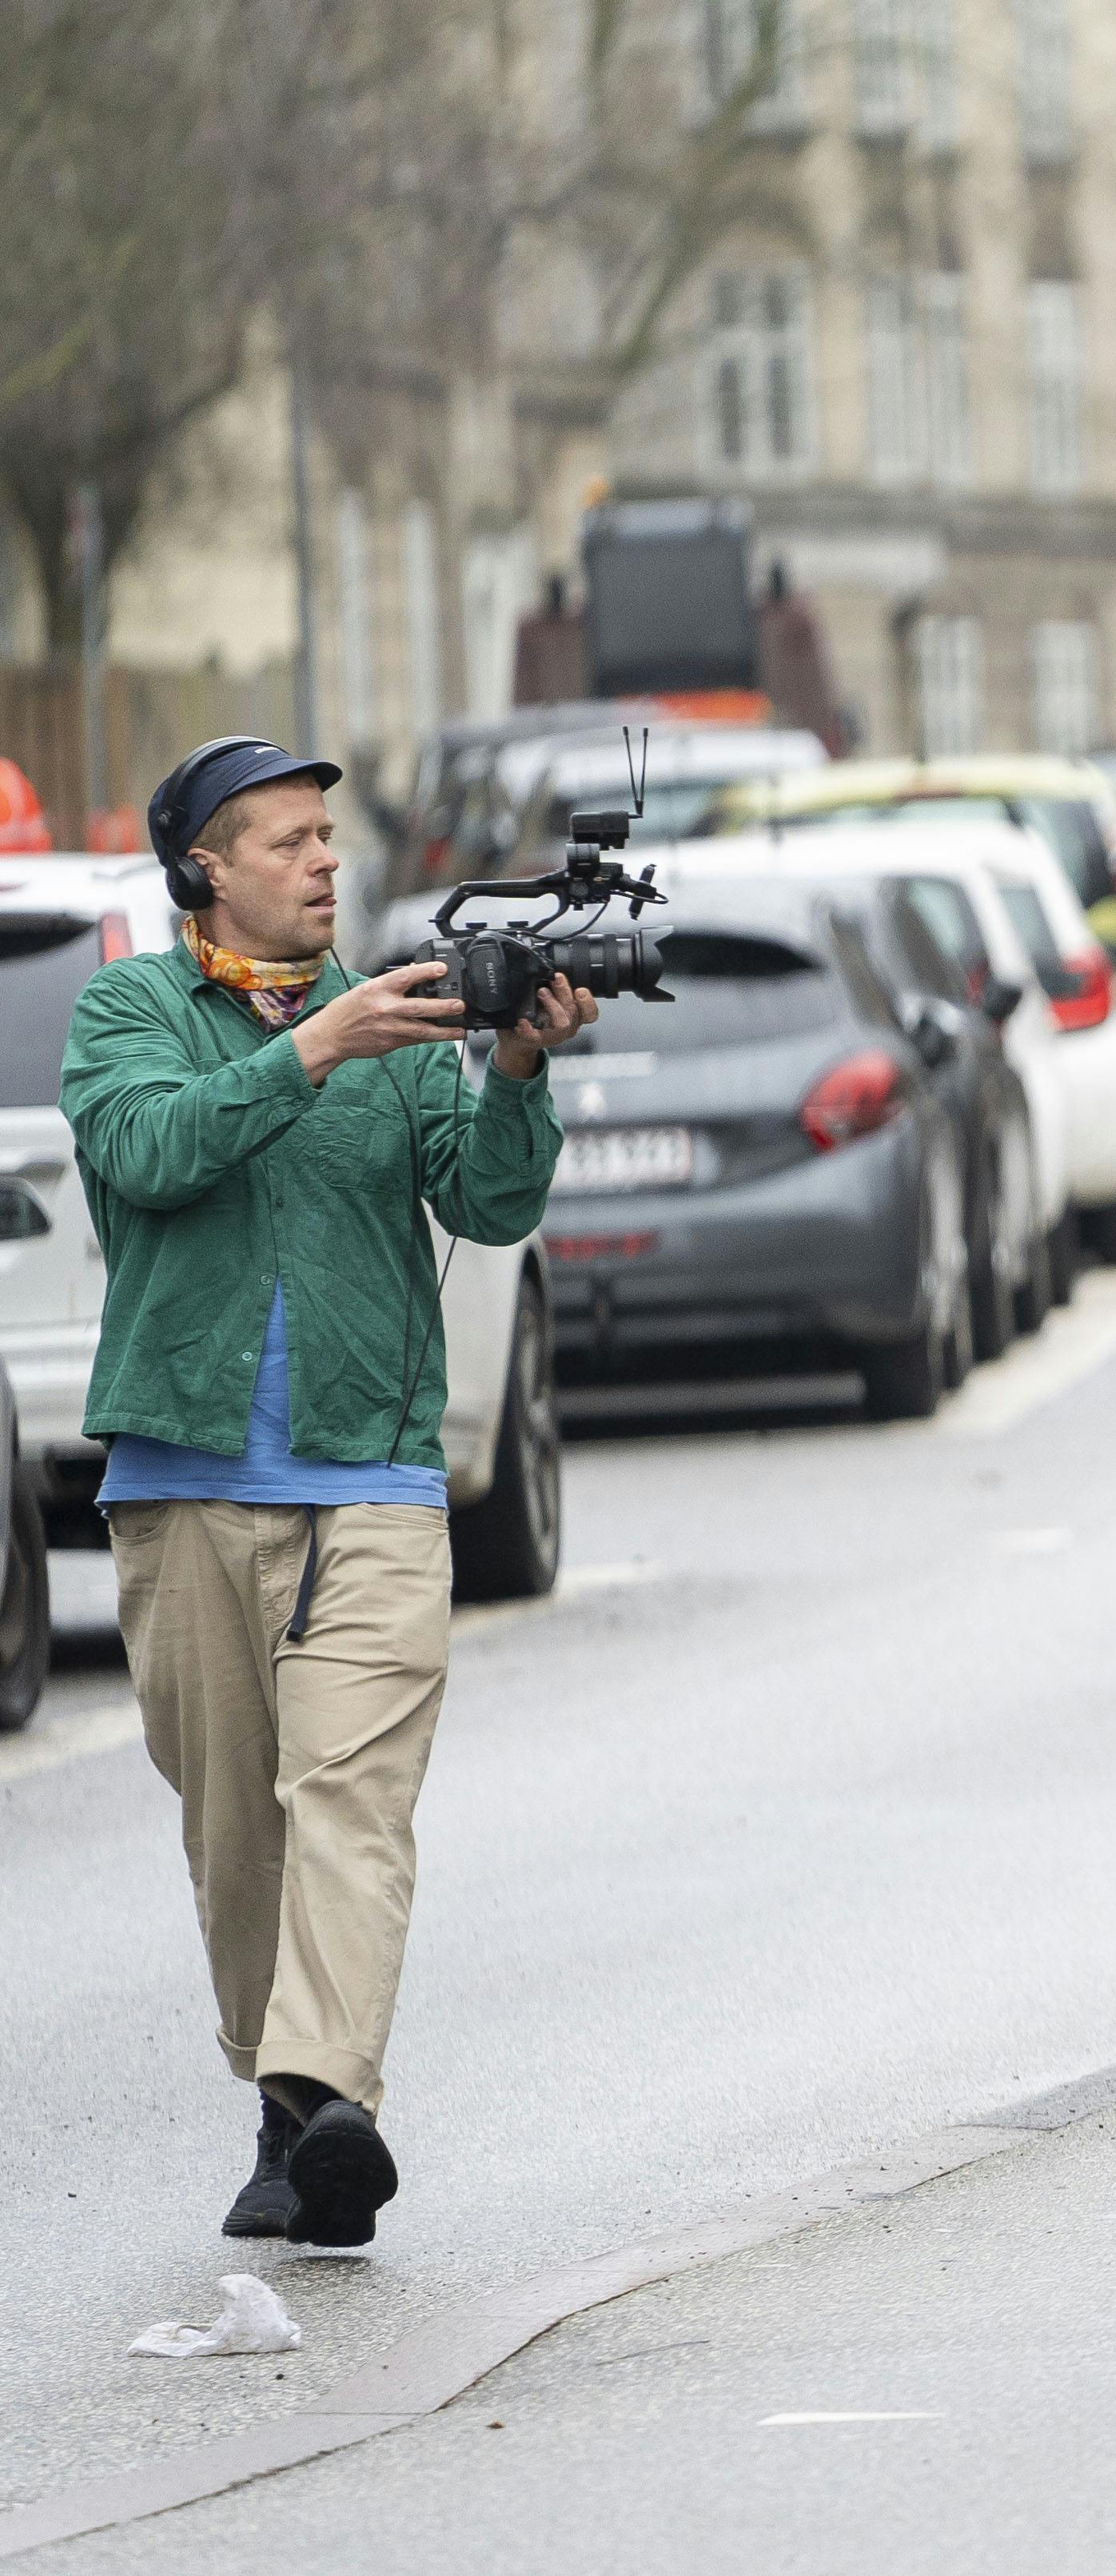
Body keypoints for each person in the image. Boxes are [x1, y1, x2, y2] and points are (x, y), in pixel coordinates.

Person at [59, 737, 592, 2245]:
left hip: (372, 1480)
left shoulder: (407, 1023)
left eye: (326, 839)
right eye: (285, 840)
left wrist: (516, 1065)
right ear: (203, 868)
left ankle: (325, 2103)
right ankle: (290, 2110)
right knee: (242, 1840)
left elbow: (488, 1200)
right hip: (182, 1484)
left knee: (350, 1797)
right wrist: (308, 1051)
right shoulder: (127, 1012)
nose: (322, 862)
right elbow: (150, 1151)